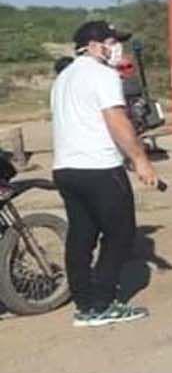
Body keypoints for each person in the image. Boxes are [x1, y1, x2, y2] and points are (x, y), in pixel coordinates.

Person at [51, 21, 161, 328]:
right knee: (121, 235)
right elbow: (116, 120)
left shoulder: (65, 77)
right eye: (113, 41)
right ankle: (100, 304)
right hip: (99, 168)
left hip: (66, 168)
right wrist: (140, 160)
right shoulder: (102, 75)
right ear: (95, 45)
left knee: (81, 235)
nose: (117, 48)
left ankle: (84, 302)